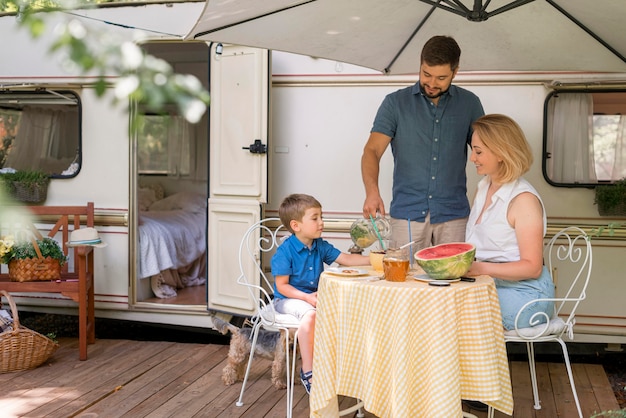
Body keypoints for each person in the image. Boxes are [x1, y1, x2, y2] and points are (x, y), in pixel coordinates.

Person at [361, 35, 484, 249]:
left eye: (441, 78)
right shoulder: (394, 103)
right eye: (426, 74)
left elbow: (486, 152)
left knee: (455, 281)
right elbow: (372, 150)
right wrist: (372, 192)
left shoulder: (470, 104)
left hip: (454, 215)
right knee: (402, 281)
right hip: (407, 215)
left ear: (455, 72)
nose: (431, 83)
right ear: (420, 64)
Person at [271, 193, 370, 394]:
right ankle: (308, 371)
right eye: (315, 218)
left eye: (321, 216)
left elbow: (346, 259)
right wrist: (307, 298)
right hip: (287, 300)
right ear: (296, 225)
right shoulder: (285, 252)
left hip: (315, 298)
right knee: (311, 315)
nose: (321, 222)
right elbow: (282, 286)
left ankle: (343, 367)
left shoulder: (319, 245)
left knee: (351, 310)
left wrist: (376, 259)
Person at [465, 114, 555, 331]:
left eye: (478, 151)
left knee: (455, 315)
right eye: (472, 150)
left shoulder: (523, 200)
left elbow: (532, 268)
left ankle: (479, 366)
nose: (472, 158)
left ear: (501, 153)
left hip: (527, 294)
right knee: (442, 305)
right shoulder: (483, 187)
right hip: (490, 285)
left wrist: (478, 268)